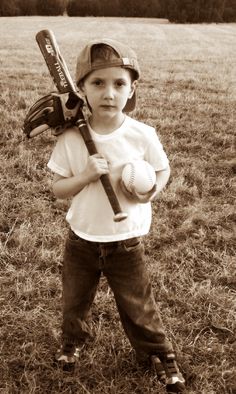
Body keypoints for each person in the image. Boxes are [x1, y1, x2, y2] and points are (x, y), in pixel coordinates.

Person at [47, 38, 185, 393]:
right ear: (82, 90)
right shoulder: (71, 139)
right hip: (82, 238)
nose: (109, 93)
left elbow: (162, 170)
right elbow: (58, 189)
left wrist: (150, 190)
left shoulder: (142, 135)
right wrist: (85, 176)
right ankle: (73, 341)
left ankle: (158, 353)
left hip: (127, 241)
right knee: (75, 300)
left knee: (137, 303)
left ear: (132, 89)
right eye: (98, 83)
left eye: (119, 83)